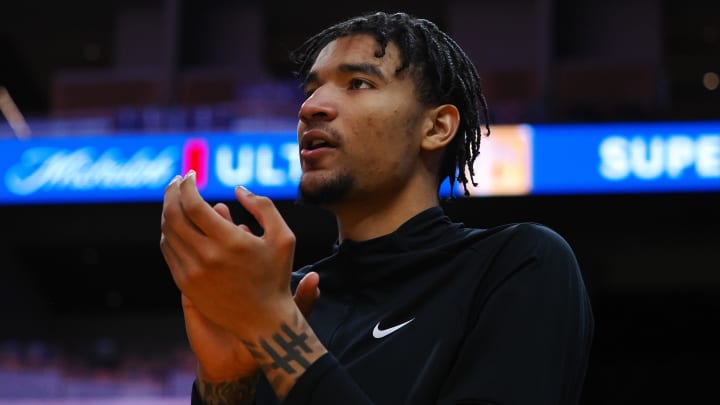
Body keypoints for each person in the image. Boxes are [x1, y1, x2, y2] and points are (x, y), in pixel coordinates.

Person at [160, 11, 594, 405]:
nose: (311, 108)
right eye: (311, 90)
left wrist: (274, 329)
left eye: (359, 84)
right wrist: (224, 382)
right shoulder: (284, 299)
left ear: (436, 127)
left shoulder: (519, 263)